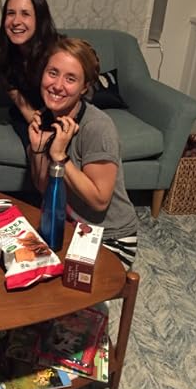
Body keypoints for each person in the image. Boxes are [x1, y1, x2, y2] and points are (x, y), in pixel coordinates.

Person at [28, 37, 138, 269]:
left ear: (84, 87)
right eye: (53, 73)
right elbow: (43, 187)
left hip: (110, 238)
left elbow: (99, 200)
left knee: (58, 284)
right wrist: (38, 148)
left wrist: (60, 156)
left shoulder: (97, 127)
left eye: (70, 79)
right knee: (21, 263)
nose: (57, 85)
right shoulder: (48, 117)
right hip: (71, 227)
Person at [0, 0, 59, 149]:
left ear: (39, 19)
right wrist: (37, 126)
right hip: (28, 113)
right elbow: (23, 105)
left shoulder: (57, 53)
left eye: (25, 14)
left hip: (61, 110)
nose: (16, 21)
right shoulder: (1, 55)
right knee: (37, 150)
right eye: (10, 13)